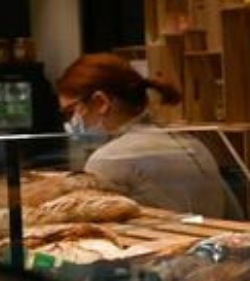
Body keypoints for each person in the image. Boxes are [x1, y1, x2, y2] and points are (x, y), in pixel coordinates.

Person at [55, 54, 239, 218]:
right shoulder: (193, 144)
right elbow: (233, 215)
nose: (71, 122)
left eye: (71, 112)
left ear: (101, 102)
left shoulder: (108, 159)